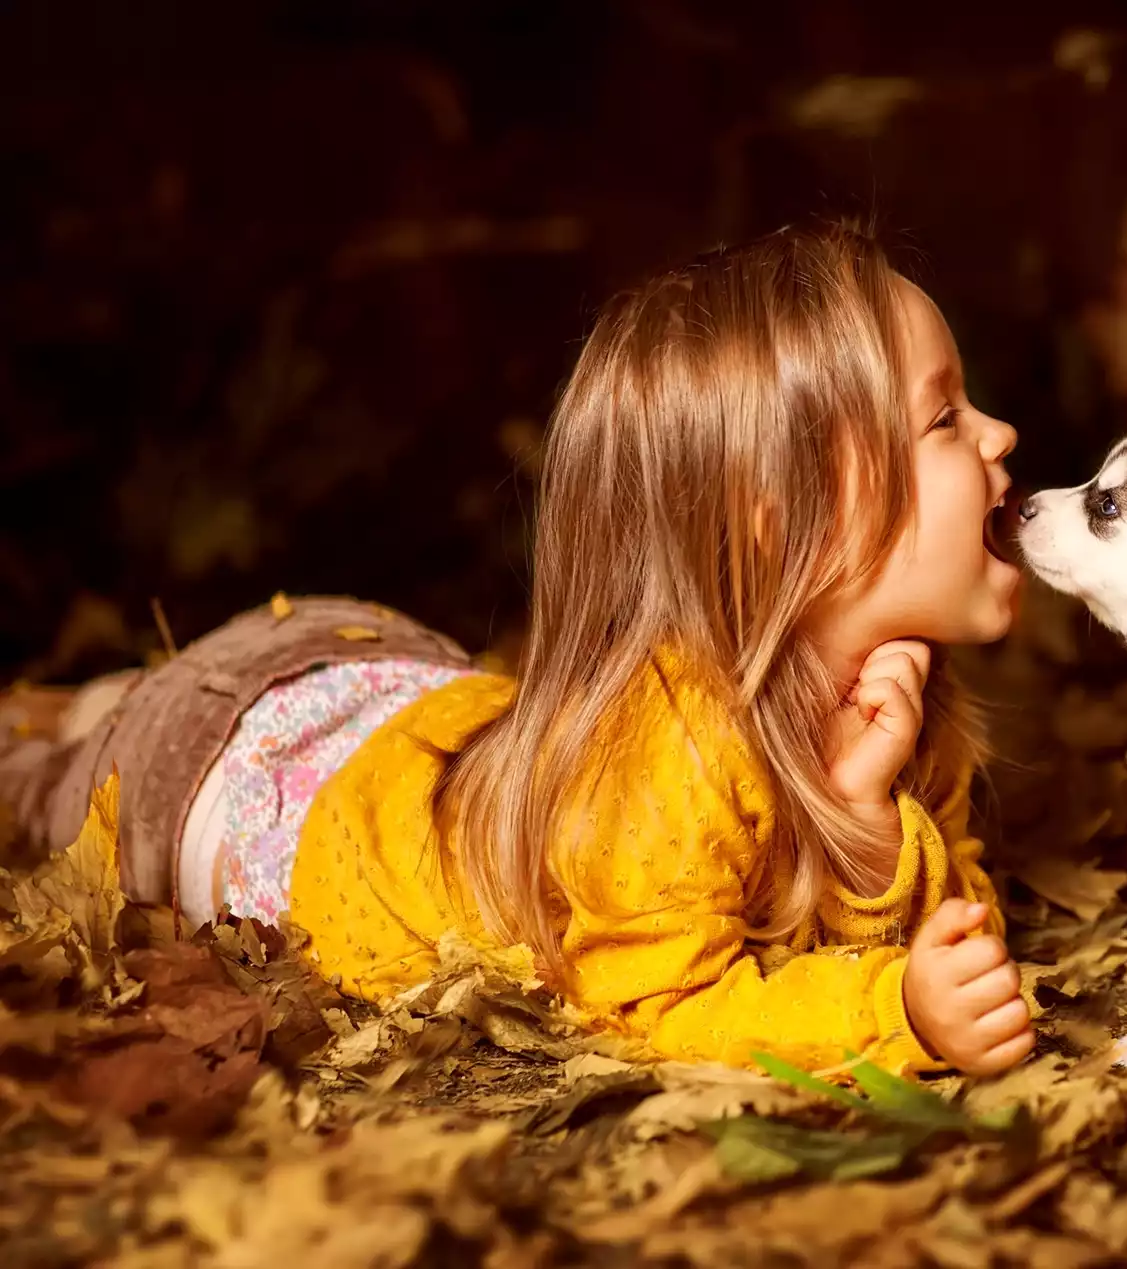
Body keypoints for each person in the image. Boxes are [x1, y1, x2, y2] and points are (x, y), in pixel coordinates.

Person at [0, 222, 1035, 1078]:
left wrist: (866, 824)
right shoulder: (672, 750)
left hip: (387, 691)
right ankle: (80, 719)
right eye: (944, 418)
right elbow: (655, 1009)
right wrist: (891, 1014)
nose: (1001, 435)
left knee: (130, 706)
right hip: (230, 788)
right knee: (52, 787)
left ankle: (93, 702)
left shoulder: (903, 699)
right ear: (785, 521)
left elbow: (963, 944)